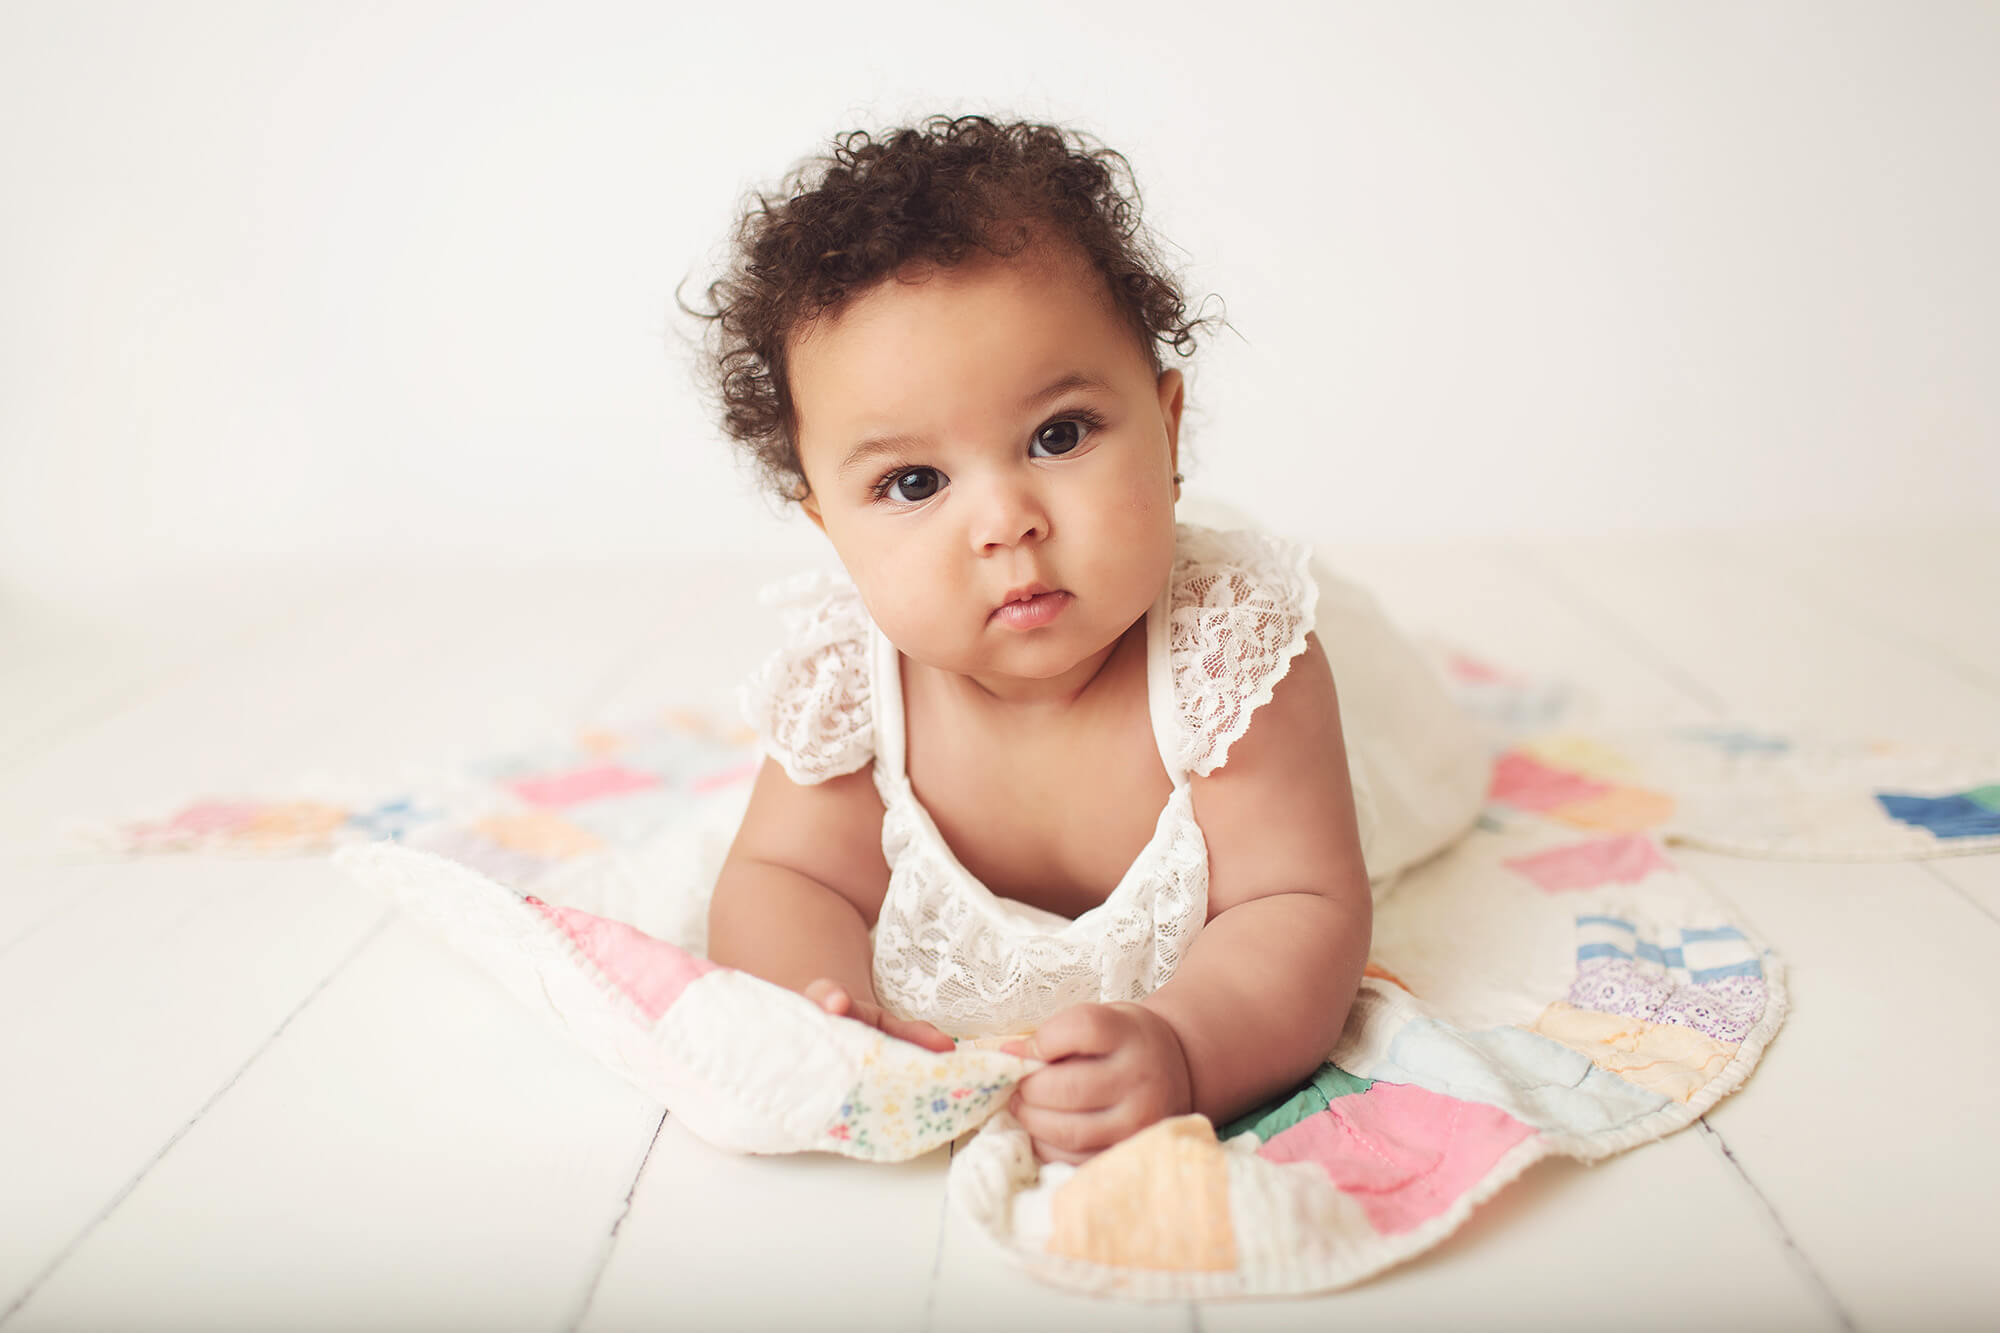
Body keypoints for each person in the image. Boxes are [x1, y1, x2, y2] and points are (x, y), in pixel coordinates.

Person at [690, 115, 1491, 1165]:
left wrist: (1185, 1043)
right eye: (913, 482)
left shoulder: (1234, 662)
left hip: (1341, 753)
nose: (1005, 520)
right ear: (828, 528)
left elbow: (1297, 905)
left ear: (1166, 429)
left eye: (1057, 435)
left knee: (1395, 747)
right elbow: (782, 879)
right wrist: (817, 1014)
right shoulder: (851, 688)